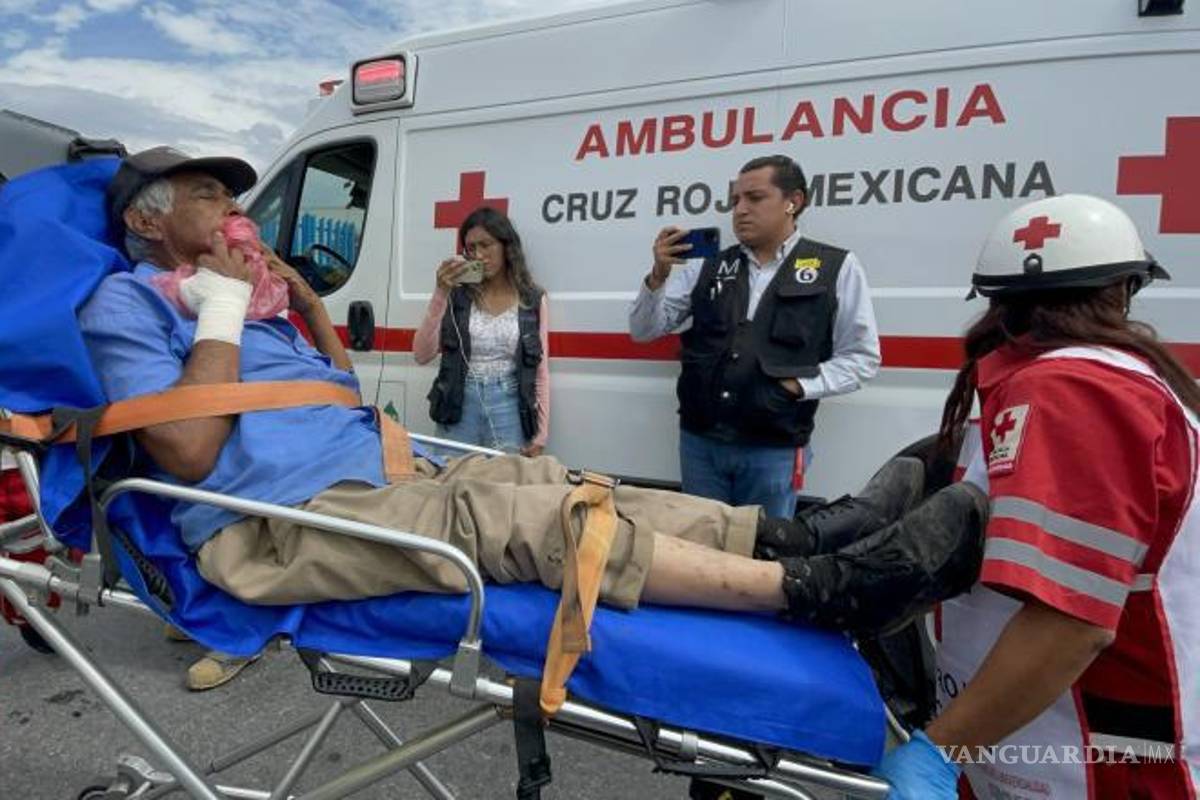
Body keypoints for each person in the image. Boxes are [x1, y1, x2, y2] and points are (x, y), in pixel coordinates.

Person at [79, 146, 986, 655]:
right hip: (274, 521)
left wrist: (298, 300)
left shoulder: (251, 305)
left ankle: (807, 532)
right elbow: (191, 454)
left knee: (575, 484)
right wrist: (225, 308)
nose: (235, 207)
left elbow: (335, 396)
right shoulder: (132, 300)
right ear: (148, 220)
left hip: (372, 470)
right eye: (210, 193)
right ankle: (819, 590)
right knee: (527, 523)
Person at [877, 195, 1198, 799]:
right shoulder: (1100, 382)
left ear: (998, 303)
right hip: (1047, 737)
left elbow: (1072, 622)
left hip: (1092, 757)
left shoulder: (1073, 393)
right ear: (1124, 291)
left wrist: (943, 751)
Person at [629, 154, 881, 519]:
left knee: (761, 554)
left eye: (755, 198)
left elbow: (862, 358)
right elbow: (644, 330)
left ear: (793, 202)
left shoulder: (835, 266)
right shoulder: (708, 263)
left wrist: (798, 386)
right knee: (699, 551)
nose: (740, 210)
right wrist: (657, 276)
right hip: (700, 443)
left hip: (773, 449)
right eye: (735, 201)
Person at [414, 207, 550, 456]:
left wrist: (541, 434)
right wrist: (440, 292)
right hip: (458, 402)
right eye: (471, 247)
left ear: (506, 246)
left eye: (486, 245)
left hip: (509, 404)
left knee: (503, 488)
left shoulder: (531, 298)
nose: (478, 254)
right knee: (451, 484)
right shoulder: (458, 294)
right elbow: (421, 354)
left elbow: (540, 371)